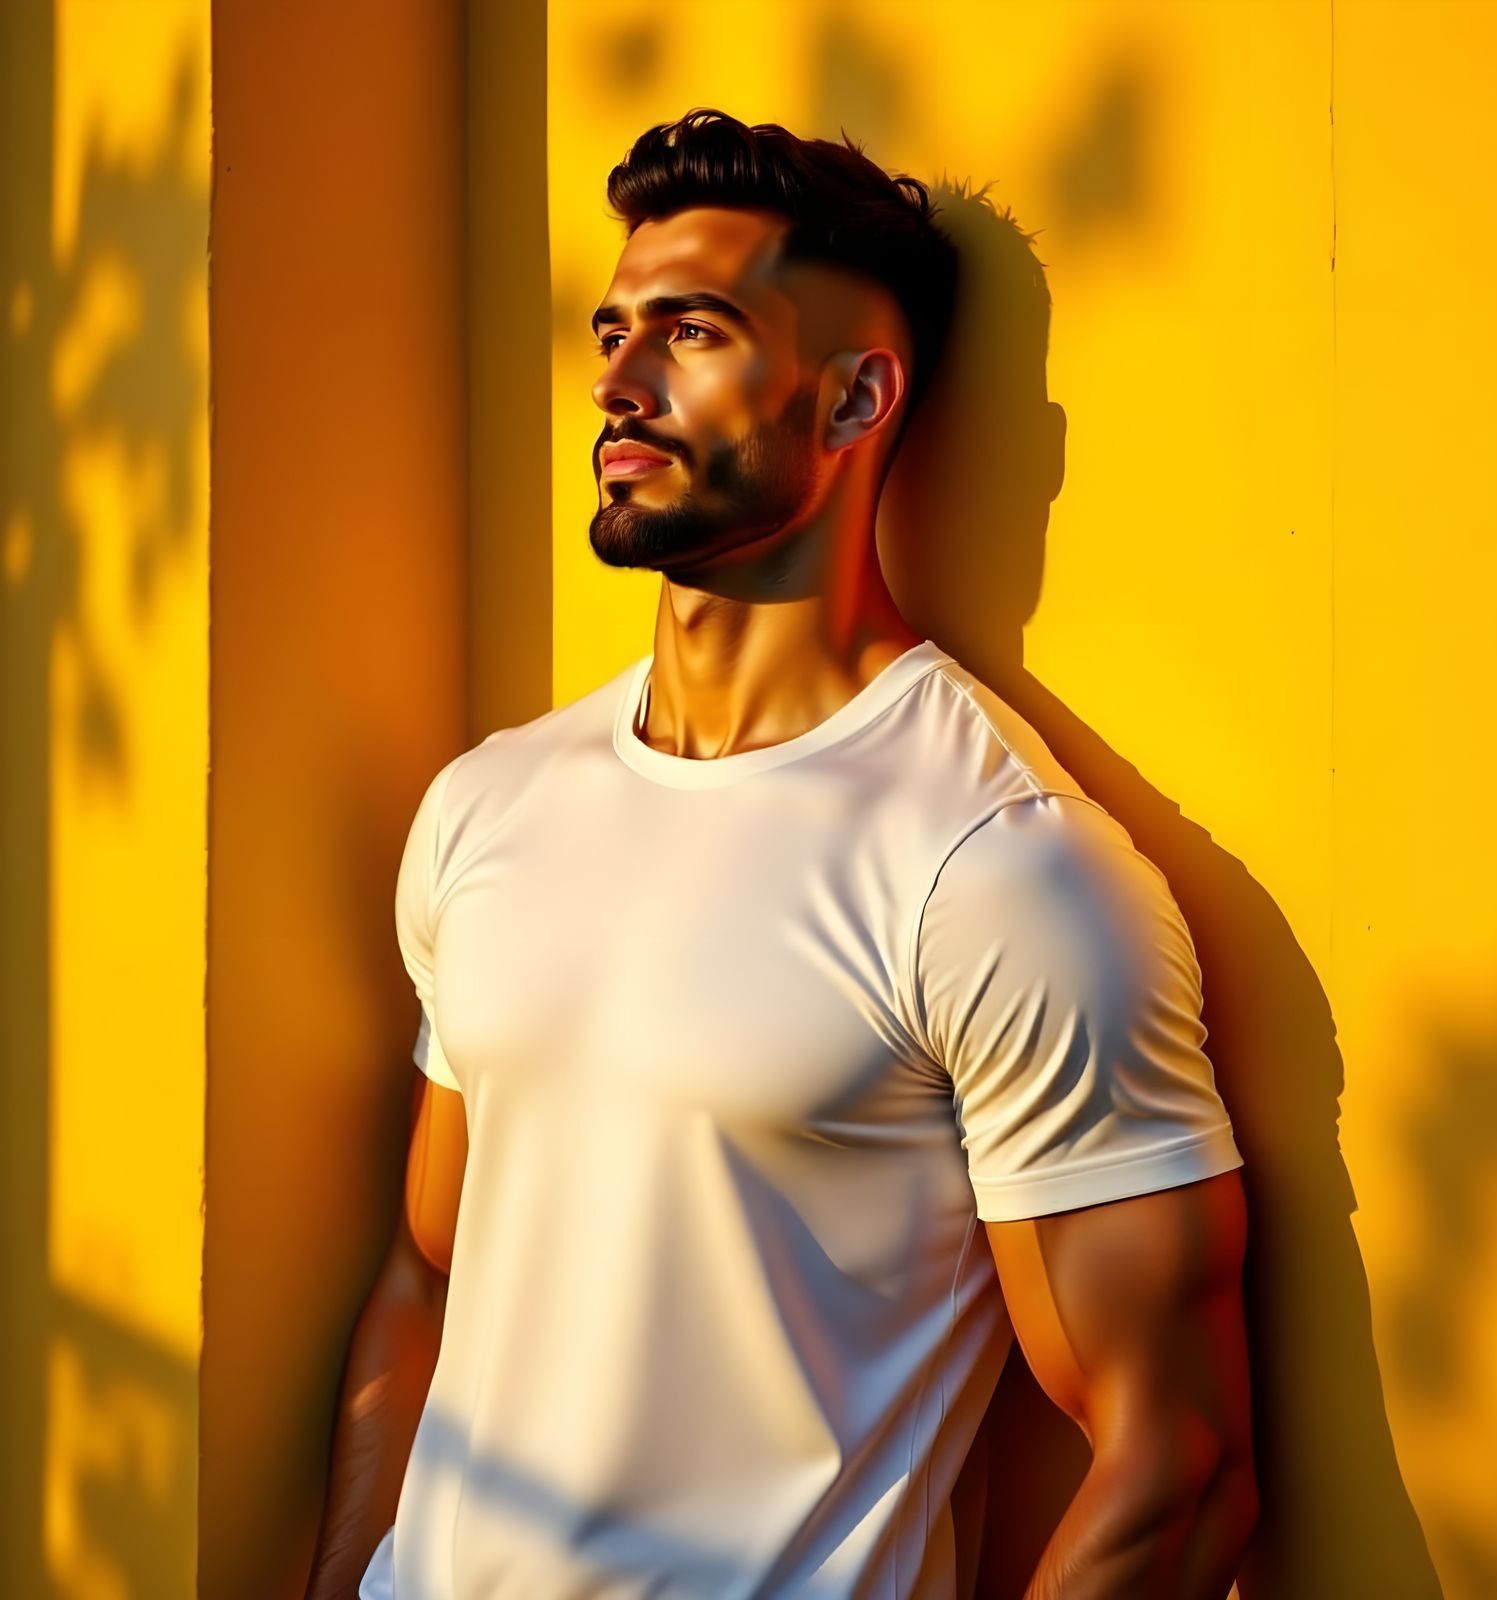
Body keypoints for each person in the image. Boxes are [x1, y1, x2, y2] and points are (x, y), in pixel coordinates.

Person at [307, 108, 1257, 1600]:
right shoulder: (489, 806)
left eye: (691, 334)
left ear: (855, 395)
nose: (615, 381)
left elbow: (1177, 1470)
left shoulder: (1000, 872)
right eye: (613, 329)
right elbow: (428, 1276)